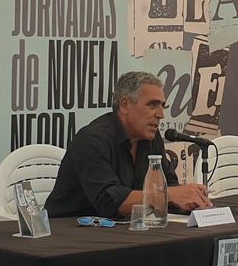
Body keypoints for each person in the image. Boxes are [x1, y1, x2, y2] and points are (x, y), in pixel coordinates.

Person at [45, 71, 213, 218]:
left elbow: (168, 185)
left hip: (122, 230)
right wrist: (169, 195)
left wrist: (186, 200)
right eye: (152, 105)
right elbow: (109, 201)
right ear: (125, 105)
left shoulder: (151, 138)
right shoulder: (92, 140)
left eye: (162, 106)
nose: (161, 114)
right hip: (67, 233)